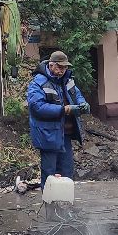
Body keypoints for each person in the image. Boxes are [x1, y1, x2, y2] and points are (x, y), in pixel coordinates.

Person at [26, 50, 88, 183]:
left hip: (64, 134)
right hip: (48, 135)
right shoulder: (38, 83)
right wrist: (64, 110)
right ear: (51, 65)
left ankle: (64, 201)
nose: (63, 70)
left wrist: (82, 103)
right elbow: (37, 107)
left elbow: (76, 94)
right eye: (60, 67)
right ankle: (50, 202)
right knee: (50, 174)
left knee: (67, 171)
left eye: (65, 67)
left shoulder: (67, 80)